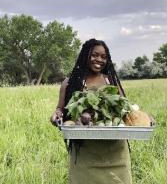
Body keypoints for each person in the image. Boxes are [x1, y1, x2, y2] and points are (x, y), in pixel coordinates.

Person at [50, 39, 132, 183]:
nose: (99, 60)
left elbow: (126, 110)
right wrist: (56, 115)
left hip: (114, 152)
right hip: (85, 152)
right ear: (85, 55)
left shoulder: (111, 81)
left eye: (104, 57)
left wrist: (143, 118)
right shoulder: (70, 83)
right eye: (95, 55)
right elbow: (60, 109)